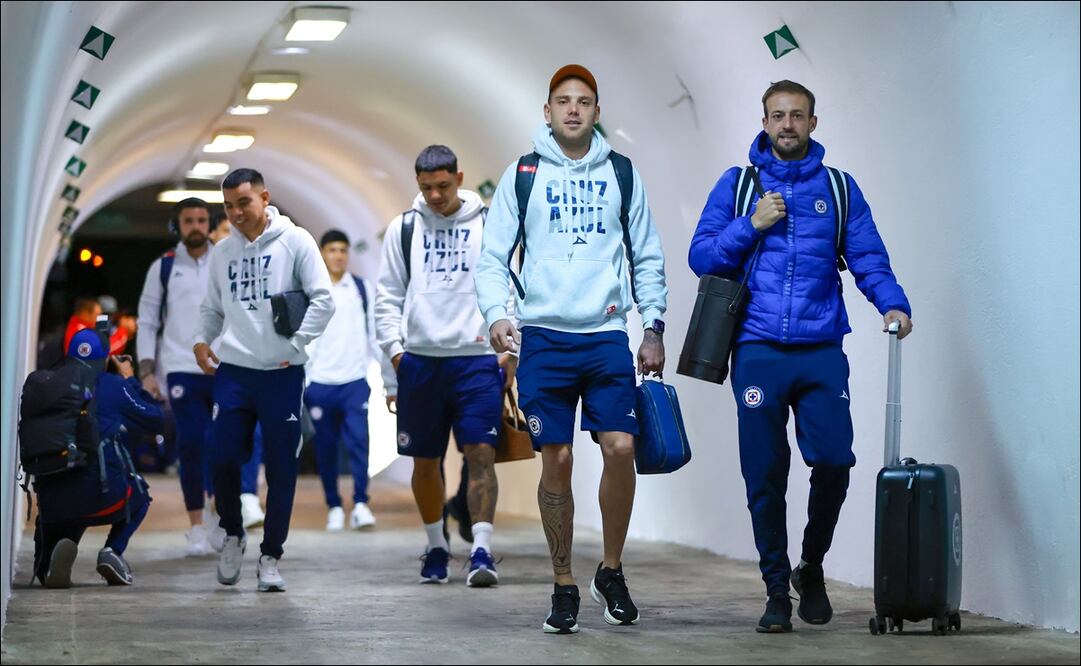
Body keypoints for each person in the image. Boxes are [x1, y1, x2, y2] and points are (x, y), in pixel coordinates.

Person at [688, 80, 913, 633]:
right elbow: (702, 256)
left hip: (820, 350)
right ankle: (774, 590)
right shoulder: (739, 185)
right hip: (758, 348)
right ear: (763, 122)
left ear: (813, 123)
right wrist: (752, 224)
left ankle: (809, 565)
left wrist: (894, 304)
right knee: (764, 474)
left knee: (835, 460)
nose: (787, 125)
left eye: (797, 116)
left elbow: (868, 256)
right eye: (777, 116)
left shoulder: (838, 189)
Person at [475, 64, 668, 634]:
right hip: (544, 340)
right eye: (564, 101)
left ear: (597, 111)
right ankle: (563, 583)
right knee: (555, 458)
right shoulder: (524, 174)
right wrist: (497, 317)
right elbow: (493, 259)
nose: (574, 110)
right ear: (548, 111)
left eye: (584, 101)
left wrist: (651, 326)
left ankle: (610, 569)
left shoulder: (623, 174)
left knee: (621, 447)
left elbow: (647, 255)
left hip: (606, 336)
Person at [375, 145, 513, 587]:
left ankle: (481, 550)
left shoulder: (490, 223)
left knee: (481, 456)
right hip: (420, 362)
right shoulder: (404, 229)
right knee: (424, 460)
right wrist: (395, 357)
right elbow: (387, 296)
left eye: (442, 185)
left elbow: (513, 284)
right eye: (426, 187)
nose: (435, 196)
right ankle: (436, 546)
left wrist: (512, 348)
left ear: (459, 177)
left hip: (475, 360)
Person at [194, 168, 335, 592]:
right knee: (221, 456)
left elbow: (323, 301)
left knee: (281, 470)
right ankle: (233, 533)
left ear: (264, 198)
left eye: (243, 203)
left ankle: (271, 555)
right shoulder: (222, 253)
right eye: (228, 206)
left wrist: (297, 345)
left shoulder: (296, 242)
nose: (236, 213)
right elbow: (211, 309)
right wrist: (202, 341)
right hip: (234, 372)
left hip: (282, 375)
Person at [32, 329, 161, 588]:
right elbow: (155, 419)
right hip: (104, 497)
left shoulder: (48, 384)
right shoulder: (113, 385)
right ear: (105, 360)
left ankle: (45, 563)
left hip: (52, 503)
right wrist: (130, 380)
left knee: (61, 509)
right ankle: (112, 550)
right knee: (140, 491)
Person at [137, 197, 226, 556]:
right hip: (180, 366)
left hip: (223, 366)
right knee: (191, 443)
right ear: (178, 225)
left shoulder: (225, 259)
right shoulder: (164, 266)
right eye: (188, 220)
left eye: (202, 220)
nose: (196, 226)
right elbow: (147, 321)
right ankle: (196, 528)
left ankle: (218, 512)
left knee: (224, 445)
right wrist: (146, 371)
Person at [304, 229, 379, 531]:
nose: (338, 256)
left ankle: (361, 502)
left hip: (354, 381)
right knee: (326, 447)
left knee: (359, 442)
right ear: (322, 253)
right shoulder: (312, 290)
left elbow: (374, 333)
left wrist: (389, 375)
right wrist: (304, 379)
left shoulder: (361, 289)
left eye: (343, 250)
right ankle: (334, 505)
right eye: (332, 250)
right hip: (320, 383)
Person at [209, 210, 266, 529]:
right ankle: (216, 501)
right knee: (212, 443)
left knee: (251, 435)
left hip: (242, 366)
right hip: (199, 369)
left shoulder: (252, 265)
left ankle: (247, 497)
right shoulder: (203, 271)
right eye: (222, 229)